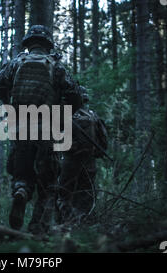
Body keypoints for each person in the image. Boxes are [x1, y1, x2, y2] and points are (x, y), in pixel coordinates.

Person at [0, 25, 82, 234]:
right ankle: (37, 231)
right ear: (48, 44)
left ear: (28, 43)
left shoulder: (15, 62)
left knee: (22, 174)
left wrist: (8, 101)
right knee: (47, 183)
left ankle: (21, 192)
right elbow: (75, 97)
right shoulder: (56, 65)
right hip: (47, 129)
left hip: (20, 126)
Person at [56, 90, 108, 225]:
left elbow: (55, 141)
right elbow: (103, 141)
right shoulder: (93, 116)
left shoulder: (65, 116)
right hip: (89, 161)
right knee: (86, 194)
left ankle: (65, 225)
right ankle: (85, 223)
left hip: (69, 161)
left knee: (64, 193)